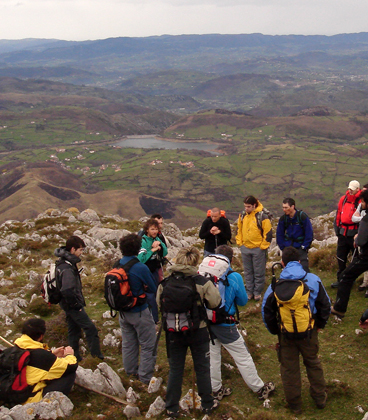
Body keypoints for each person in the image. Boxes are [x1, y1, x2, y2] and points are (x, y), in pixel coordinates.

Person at [262, 247, 331, 414]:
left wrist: (275, 331)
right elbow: (325, 305)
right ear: (299, 262)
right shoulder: (313, 280)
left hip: (285, 333)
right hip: (309, 330)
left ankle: (295, 405)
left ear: (283, 264)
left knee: (289, 368)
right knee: (313, 363)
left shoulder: (275, 286)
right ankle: (320, 399)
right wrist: (319, 325)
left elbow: (267, 311)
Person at [156, 246, 222, 418]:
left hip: (173, 332)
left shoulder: (166, 283)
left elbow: (159, 304)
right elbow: (215, 303)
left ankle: (171, 407)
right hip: (198, 331)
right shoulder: (202, 282)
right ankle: (207, 404)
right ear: (195, 262)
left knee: (175, 369)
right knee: (202, 368)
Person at [209, 245, 275, 401]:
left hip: (207, 321)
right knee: (242, 356)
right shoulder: (234, 277)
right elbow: (243, 301)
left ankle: (215, 389)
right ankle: (259, 389)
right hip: (226, 324)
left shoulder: (206, 274)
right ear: (231, 259)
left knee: (213, 356)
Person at [55, 235, 103, 361]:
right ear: (72, 249)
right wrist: (76, 305)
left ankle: (74, 357)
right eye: (80, 250)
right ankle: (96, 357)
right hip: (72, 306)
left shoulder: (64, 263)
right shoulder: (67, 268)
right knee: (90, 328)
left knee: (74, 330)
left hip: (66, 305)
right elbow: (67, 289)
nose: (81, 253)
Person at [118, 233, 158, 384]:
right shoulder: (140, 267)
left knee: (128, 343)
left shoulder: (117, 264)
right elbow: (153, 287)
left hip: (123, 311)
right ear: (138, 248)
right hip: (139, 311)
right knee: (148, 344)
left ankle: (130, 372)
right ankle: (145, 377)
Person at [14, 318, 78, 404]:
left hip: (13, 396)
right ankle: (53, 405)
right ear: (40, 336)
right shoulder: (43, 356)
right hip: (30, 400)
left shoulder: (15, 348)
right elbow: (71, 366)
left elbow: (34, 359)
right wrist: (69, 355)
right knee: (69, 374)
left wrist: (52, 354)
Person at [331, 189, 368, 318]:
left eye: (363, 201)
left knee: (346, 276)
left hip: (365, 257)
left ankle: (339, 308)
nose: (361, 203)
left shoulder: (365, 219)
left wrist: (357, 238)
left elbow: (361, 241)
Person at [236, 196, 272, 300]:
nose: (246, 209)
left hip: (258, 249)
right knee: (248, 271)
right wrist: (240, 243)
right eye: (245, 206)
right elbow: (239, 229)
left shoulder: (262, 216)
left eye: (248, 207)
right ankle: (249, 292)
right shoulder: (242, 216)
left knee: (258, 272)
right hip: (245, 248)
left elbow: (268, 233)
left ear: (254, 205)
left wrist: (262, 247)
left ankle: (257, 292)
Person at [332, 180, 361, 288]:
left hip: (354, 234)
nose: (350, 191)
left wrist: (359, 234)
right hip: (343, 233)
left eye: (352, 189)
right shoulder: (343, 199)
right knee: (341, 257)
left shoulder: (360, 201)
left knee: (355, 259)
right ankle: (340, 280)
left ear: (358, 189)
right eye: (349, 189)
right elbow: (338, 213)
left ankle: (350, 280)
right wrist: (337, 230)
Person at [138, 218, 168, 323]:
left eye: (155, 229)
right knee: (151, 293)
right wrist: (152, 250)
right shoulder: (143, 241)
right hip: (146, 271)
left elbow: (165, 253)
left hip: (155, 270)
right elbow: (141, 259)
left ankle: (156, 314)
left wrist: (160, 245)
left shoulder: (157, 239)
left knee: (156, 292)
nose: (154, 231)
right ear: (147, 230)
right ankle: (153, 318)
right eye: (152, 229)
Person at [276, 198, 313, 273]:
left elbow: (309, 232)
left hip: (300, 247)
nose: (284, 209)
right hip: (288, 248)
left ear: (292, 207)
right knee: (288, 270)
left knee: (304, 269)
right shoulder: (283, 219)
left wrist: (304, 246)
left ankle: (305, 284)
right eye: (283, 207)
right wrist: (283, 247)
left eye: (286, 207)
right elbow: (279, 234)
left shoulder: (302, 217)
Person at [352, 183, 368, 293]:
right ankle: (365, 282)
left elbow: (359, 218)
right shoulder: (360, 206)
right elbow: (353, 218)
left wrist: (361, 218)